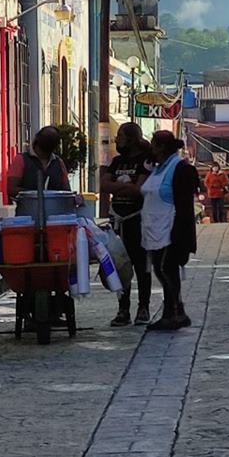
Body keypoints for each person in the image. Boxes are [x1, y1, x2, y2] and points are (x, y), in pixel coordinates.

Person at [140, 130, 199, 331]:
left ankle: (171, 313)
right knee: (160, 268)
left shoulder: (181, 169)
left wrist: (181, 234)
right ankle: (178, 310)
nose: (152, 149)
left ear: (161, 147)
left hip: (171, 227)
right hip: (154, 227)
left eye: (154, 145)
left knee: (167, 269)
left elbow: (184, 205)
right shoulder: (157, 168)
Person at [101, 123, 154, 327]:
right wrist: (126, 186)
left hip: (138, 218)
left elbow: (139, 189)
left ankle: (143, 307)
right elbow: (104, 185)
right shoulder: (117, 162)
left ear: (131, 138)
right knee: (120, 264)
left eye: (121, 136)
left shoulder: (145, 161)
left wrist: (118, 187)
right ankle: (123, 309)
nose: (117, 139)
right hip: (117, 218)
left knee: (141, 265)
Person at [6, 126, 71, 198]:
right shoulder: (21, 160)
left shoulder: (59, 163)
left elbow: (67, 191)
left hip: (54, 205)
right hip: (28, 204)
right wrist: (34, 194)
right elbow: (11, 189)